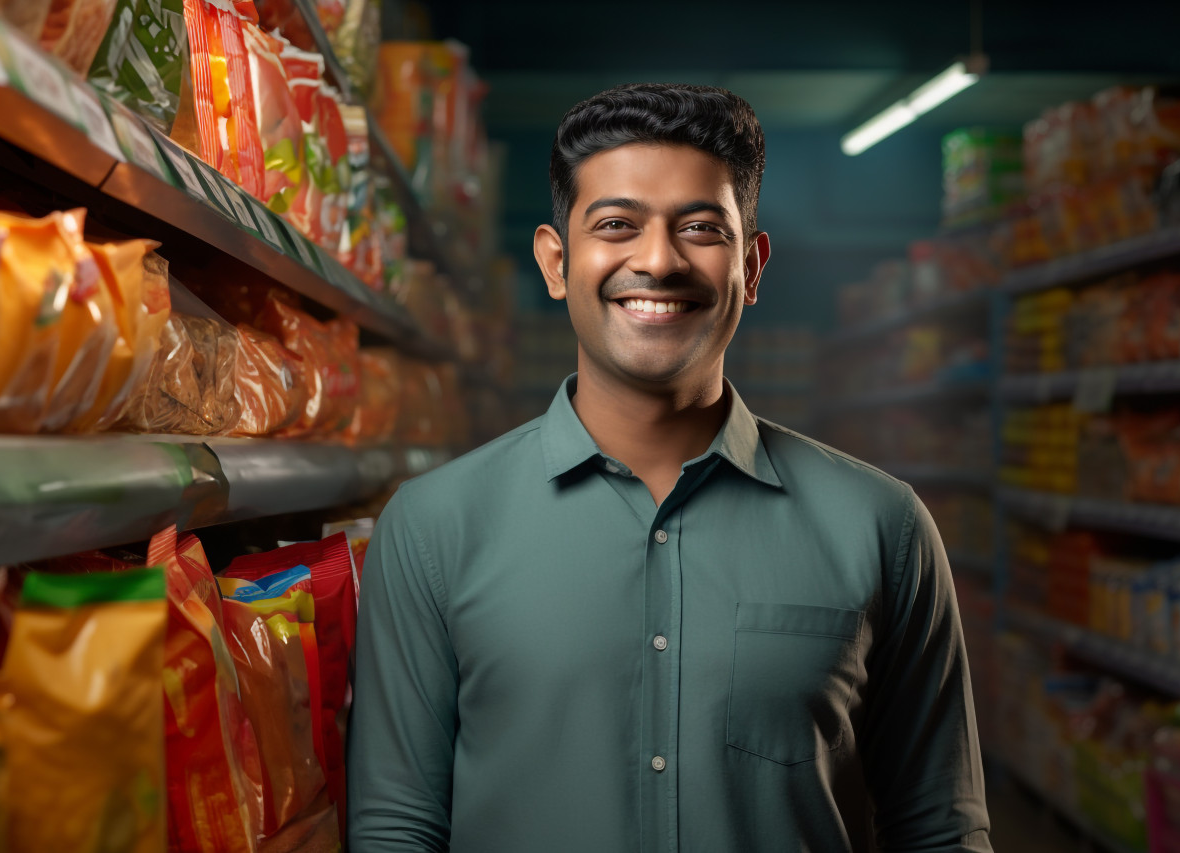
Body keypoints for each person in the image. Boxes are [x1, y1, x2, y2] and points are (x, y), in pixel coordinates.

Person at [347, 82, 992, 852]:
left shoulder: (881, 525)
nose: (657, 260)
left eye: (700, 228)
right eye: (617, 224)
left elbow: (939, 828)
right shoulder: (432, 529)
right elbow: (396, 825)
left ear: (752, 268)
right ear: (557, 263)